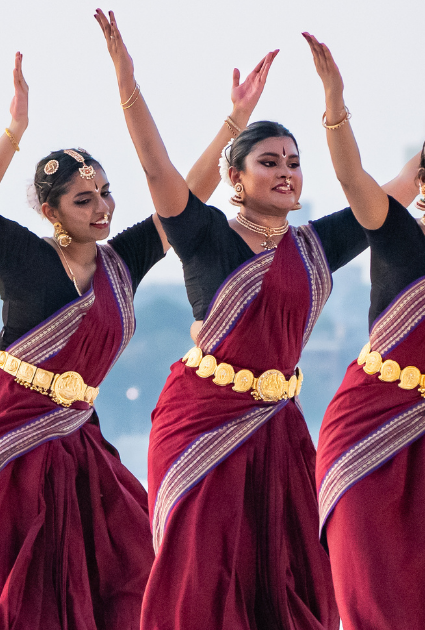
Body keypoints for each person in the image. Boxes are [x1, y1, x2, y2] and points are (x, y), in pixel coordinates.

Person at [0, 43, 273, 629]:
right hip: (1, 430)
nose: (101, 209)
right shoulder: (20, 253)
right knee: (8, 592)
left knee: (129, 568)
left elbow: (182, 194)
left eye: (105, 195)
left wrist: (236, 121)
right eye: (83, 200)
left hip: (75, 435)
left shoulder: (124, 261)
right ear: (51, 210)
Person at [93, 11, 420, 629]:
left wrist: (339, 102)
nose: (287, 171)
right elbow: (157, 167)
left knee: (292, 585)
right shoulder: (206, 236)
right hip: (200, 426)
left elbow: (401, 186)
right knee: (200, 583)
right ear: (235, 179)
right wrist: (127, 83)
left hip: (279, 431)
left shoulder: (315, 246)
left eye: (294, 162)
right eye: (269, 161)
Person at [306, 34, 425, 630]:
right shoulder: (397, 230)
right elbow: (352, 177)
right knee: (371, 596)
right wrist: (335, 101)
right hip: (369, 430)